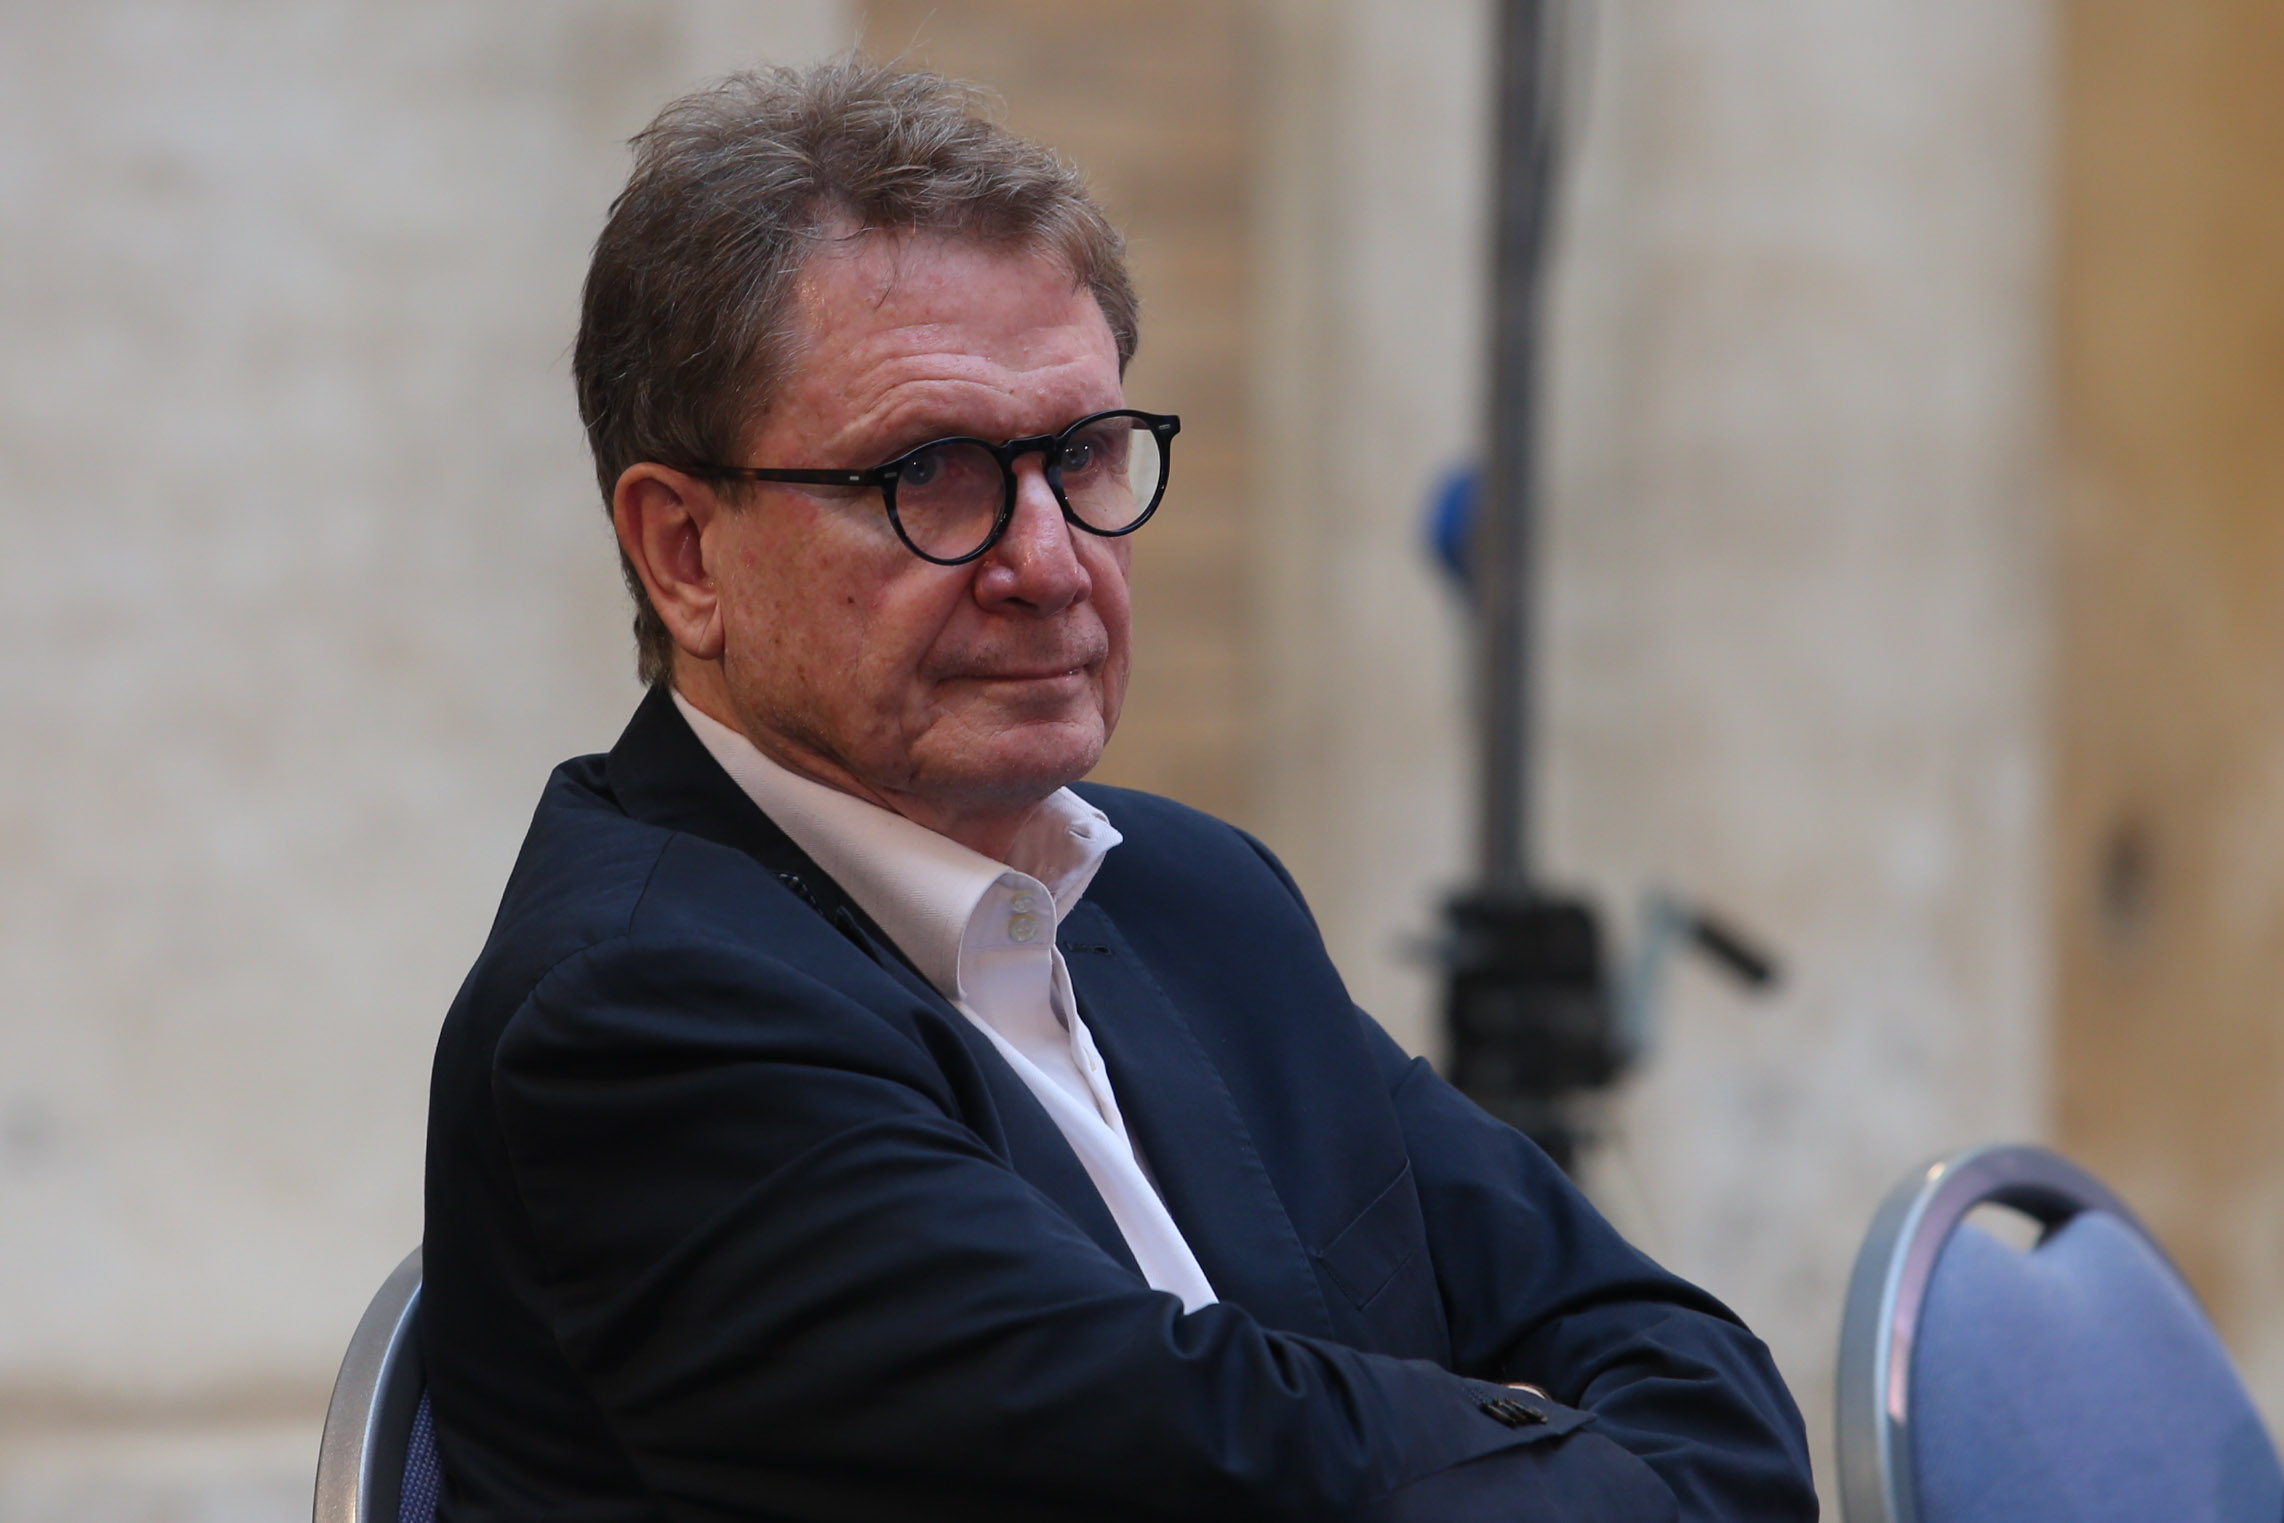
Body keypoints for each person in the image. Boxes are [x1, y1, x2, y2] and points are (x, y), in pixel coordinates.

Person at [421, 58, 1817, 1523]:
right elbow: (1204, 1478)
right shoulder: (641, 1016)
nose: (1049, 562)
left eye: (1084, 456)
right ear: (685, 554)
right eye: (932, 473)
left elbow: (1703, 1385)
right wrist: (1580, 1459)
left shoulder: (1194, 898)